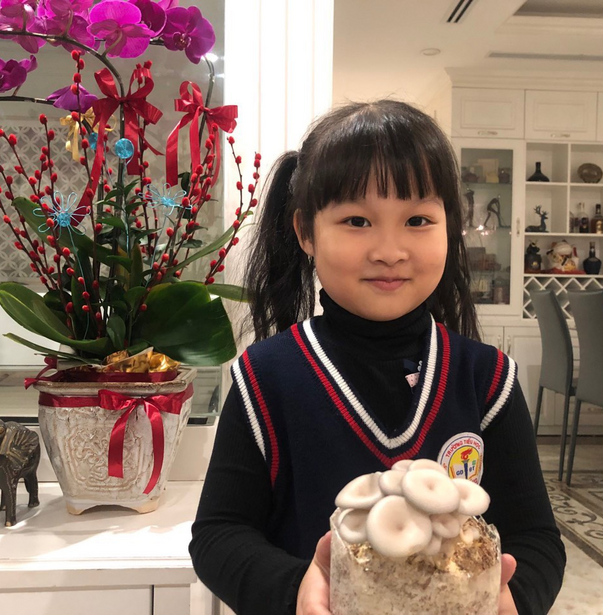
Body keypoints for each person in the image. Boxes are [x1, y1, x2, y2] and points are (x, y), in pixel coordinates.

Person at [189, 100, 566, 615]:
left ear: (450, 228)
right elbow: (219, 535)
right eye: (357, 220)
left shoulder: (489, 380)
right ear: (305, 232)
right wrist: (297, 590)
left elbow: (538, 540)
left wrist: (512, 599)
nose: (390, 250)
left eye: (418, 220)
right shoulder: (264, 379)